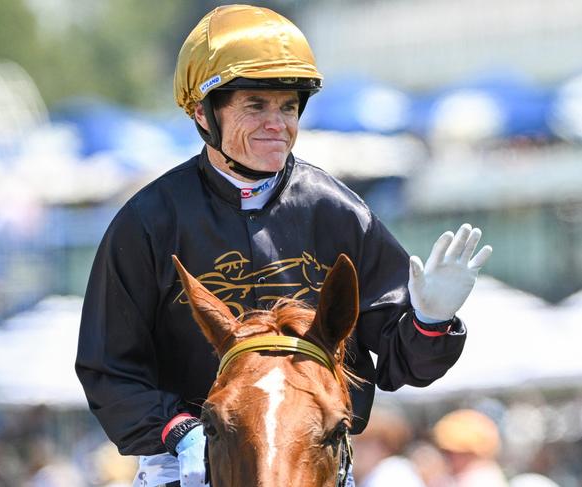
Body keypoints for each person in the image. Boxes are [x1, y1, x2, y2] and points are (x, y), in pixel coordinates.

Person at [75, 5, 493, 487]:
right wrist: (182, 431)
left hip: (313, 460)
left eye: (288, 106)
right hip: (185, 460)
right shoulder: (146, 223)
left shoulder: (340, 212)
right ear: (202, 112)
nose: (278, 123)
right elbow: (108, 370)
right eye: (256, 105)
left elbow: (404, 365)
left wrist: (431, 322)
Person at [432, 409, 509, 487]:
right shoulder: (457, 478)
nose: (448, 458)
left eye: (454, 453)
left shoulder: (482, 478)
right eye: (446, 452)